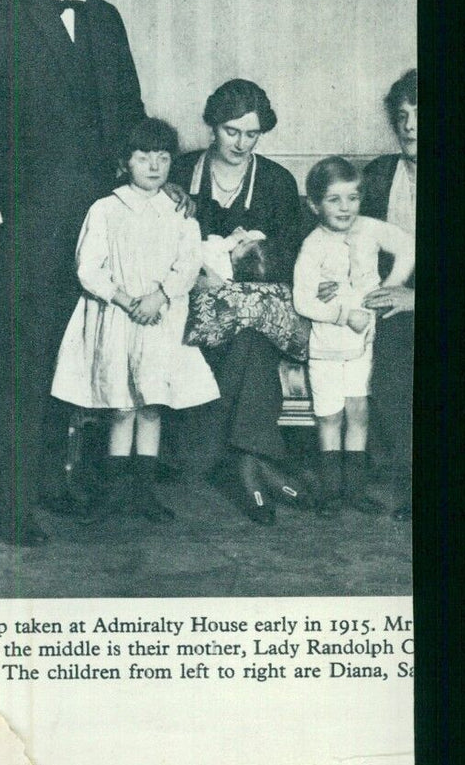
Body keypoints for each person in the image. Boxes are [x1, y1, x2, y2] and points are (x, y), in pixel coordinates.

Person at [0, 0, 145, 547]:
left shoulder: (108, 20)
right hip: (26, 224)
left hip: (94, 226)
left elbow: (130, 119)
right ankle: (11, 506)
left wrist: (136, 212)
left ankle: (52, 484)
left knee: (75, 355)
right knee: (22, 362)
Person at [51, 118, 218, 525]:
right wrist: (127, 301)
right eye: (143, 157)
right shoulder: (106, 209)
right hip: (118, 318)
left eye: (163, 157)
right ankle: (113, 493)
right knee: (121, 406)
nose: (154, 166)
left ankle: (144, 493)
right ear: (125, 162)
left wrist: (159, 295)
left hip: (161, 319)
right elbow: (88, 268)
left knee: (152, 404)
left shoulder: (178, 211)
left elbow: (189, 262)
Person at [174, 79, 306, 524]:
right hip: (186, 300)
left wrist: (256, 255)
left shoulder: (276, 181)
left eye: (252, 134)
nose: (241, 143)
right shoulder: (179, 171)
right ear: (213, 125)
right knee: (247, 339)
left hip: (253, 307)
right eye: (232, 131)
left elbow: (291, 257)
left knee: (250, 334)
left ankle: (242, 462)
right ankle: (255, 463)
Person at [293, 157, 415, 517]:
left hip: (361, 346)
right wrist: (342, 313)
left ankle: (356, 491)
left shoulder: (370, 229)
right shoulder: (313, 246)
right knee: (330, 416)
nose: (345, 208)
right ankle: (332, 494)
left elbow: (409, 247)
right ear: (315, 205)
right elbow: (302, 299)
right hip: (327, 347)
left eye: (353, 197)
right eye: (334, 200)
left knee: (358, 411)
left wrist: (390, 286)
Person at [361, 70, 417, 518]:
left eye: (420, 115)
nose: (410, 126)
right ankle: (397, 479)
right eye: (402, 116)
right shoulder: (380, 174)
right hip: (387, 297)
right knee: (390, 342)